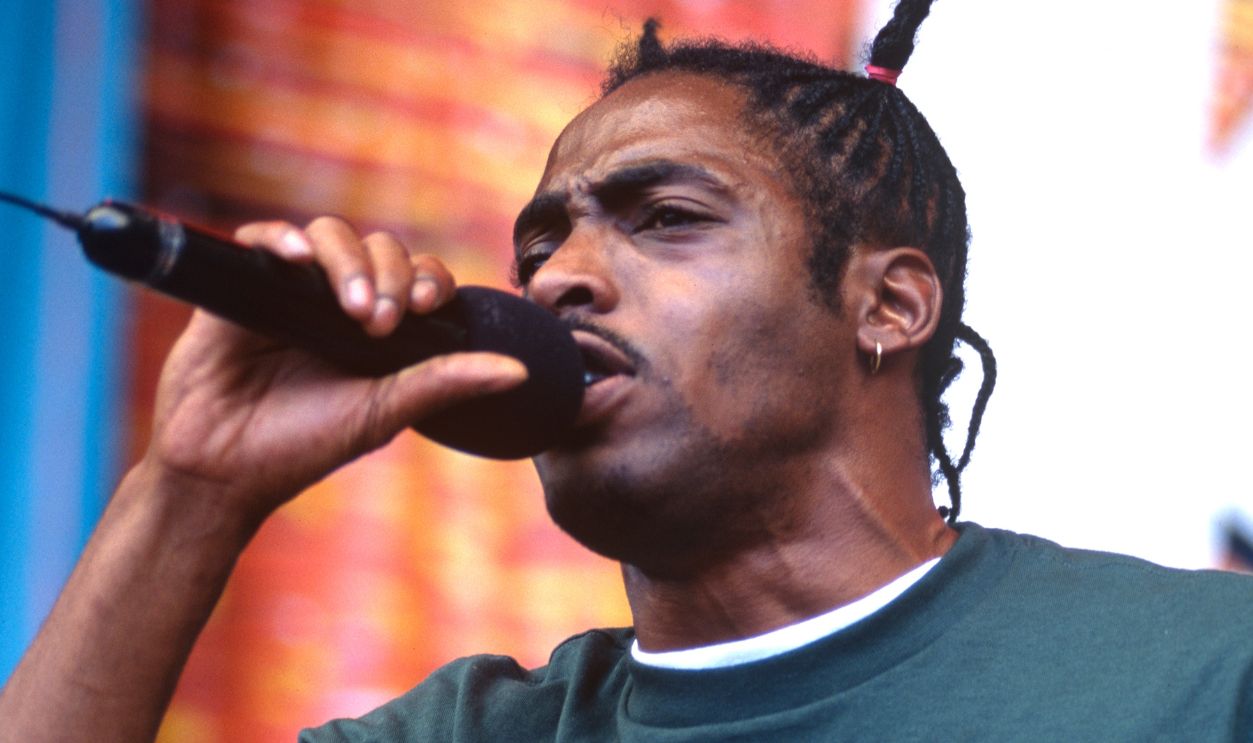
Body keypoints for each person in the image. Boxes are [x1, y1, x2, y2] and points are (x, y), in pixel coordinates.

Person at [3, 2, 1253, 741]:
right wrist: (193, 487)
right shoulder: (474, 730)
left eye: (663, 218)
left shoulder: (1197, 672)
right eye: (538, 242)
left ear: (888, 303)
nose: (556, 279)